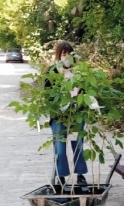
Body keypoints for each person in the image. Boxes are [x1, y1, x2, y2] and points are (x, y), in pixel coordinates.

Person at [44, 42, 88, 186]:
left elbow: (85, 92)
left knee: (78, 145)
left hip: (76, 116)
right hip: (59, 117)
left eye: (69, 54)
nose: (67, 57)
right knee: (60, 149)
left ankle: (80, 175)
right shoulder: (52, 72)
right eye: (64, 54)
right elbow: (48, 95)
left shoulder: (79, 72)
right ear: (59, 56)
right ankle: (61, 175)